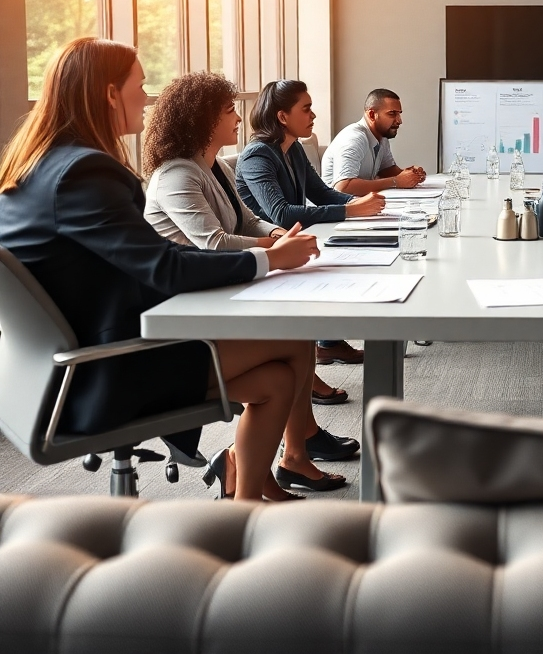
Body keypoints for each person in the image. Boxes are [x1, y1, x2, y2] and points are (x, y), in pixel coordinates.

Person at [0, 38, 333, 501]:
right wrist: (269, 259)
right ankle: (254, 487)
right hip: (100, 372)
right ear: (110, 94)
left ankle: (246, 492)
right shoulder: (85, 173)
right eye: (140, 85)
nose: (147, 96)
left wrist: (262, 254)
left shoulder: (37, 165)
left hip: (56, 371)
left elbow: (146, 261)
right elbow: (163, 267)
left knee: (277, 379)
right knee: (295, 341)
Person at [142, 71, 357, 419]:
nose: (239, 117)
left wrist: (275, 236)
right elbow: (213, 243)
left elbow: (247, 219)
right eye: (229, 110)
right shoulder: (176, 175)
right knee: (295, 340)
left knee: (299, 337)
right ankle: (301, 444)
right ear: (204, 119)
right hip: (188, 303)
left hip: (222, 284)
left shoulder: (216, 167)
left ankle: (301, 446)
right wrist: (275, 251)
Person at [235, 80, 386, 368]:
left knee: (359, 258)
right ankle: (314, 357)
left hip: (294, 240)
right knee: (339, 264)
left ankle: (326, 344)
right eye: (306, 109)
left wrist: (359, 203)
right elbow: (281, 214)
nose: (313, 115)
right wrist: (351, 212)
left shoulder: (293, 149)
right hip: (269, 247)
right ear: (282, 117)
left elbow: (321, 193)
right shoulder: (257, 155)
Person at [321, 88, 426, 196]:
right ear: (372, 115)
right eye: (392, 114)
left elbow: (386, 170)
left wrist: (411, 174)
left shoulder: (382, 137)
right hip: (337, 208)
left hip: (360, 205)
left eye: (399, 114)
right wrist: (396, 181)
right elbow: (343, 187)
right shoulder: (354, 139)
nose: (399, 120)